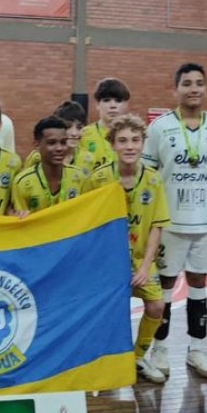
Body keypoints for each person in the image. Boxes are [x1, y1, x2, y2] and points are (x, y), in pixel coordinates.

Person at [142, 63, 207, 379]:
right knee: (165, 285)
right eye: (187, 83)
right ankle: (160, 348)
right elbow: (149, 173)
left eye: (199, 83)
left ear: (206, 88)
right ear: (175, 89)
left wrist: (201, 192)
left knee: (198, 284)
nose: (194, 88)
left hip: (203, 223)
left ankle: (196, 348)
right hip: (169, 223)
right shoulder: (159, 128)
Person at [88, 114, 171, 384]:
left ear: (143, 143)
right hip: (107, 261)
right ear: (112, 145)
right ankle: (106, 361)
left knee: (157, 306)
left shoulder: (154, 179)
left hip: (140, 259)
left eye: (135, 140)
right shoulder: (99, 178)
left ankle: (137, 356)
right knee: (111, 310)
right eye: (122, 141)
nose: (130, 146)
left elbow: (157, 226)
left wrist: (146, 267)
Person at [11, 116, 90, 215]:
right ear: (37, 145)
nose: (59, 148)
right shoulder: (22, 183)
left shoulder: (80, 178)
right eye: (52, 143)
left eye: (63, 142)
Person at [24, 100, 97, 177]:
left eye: (79, 128)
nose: (74, 133)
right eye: (68, 127)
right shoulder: (37, 157)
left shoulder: (89, 159)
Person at [79, 77, 131, 170]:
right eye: (106, 100)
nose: (113, 106)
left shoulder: (135, 136)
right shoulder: (83, 135)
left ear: (126, 105)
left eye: (118, 101)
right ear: (97, 105)